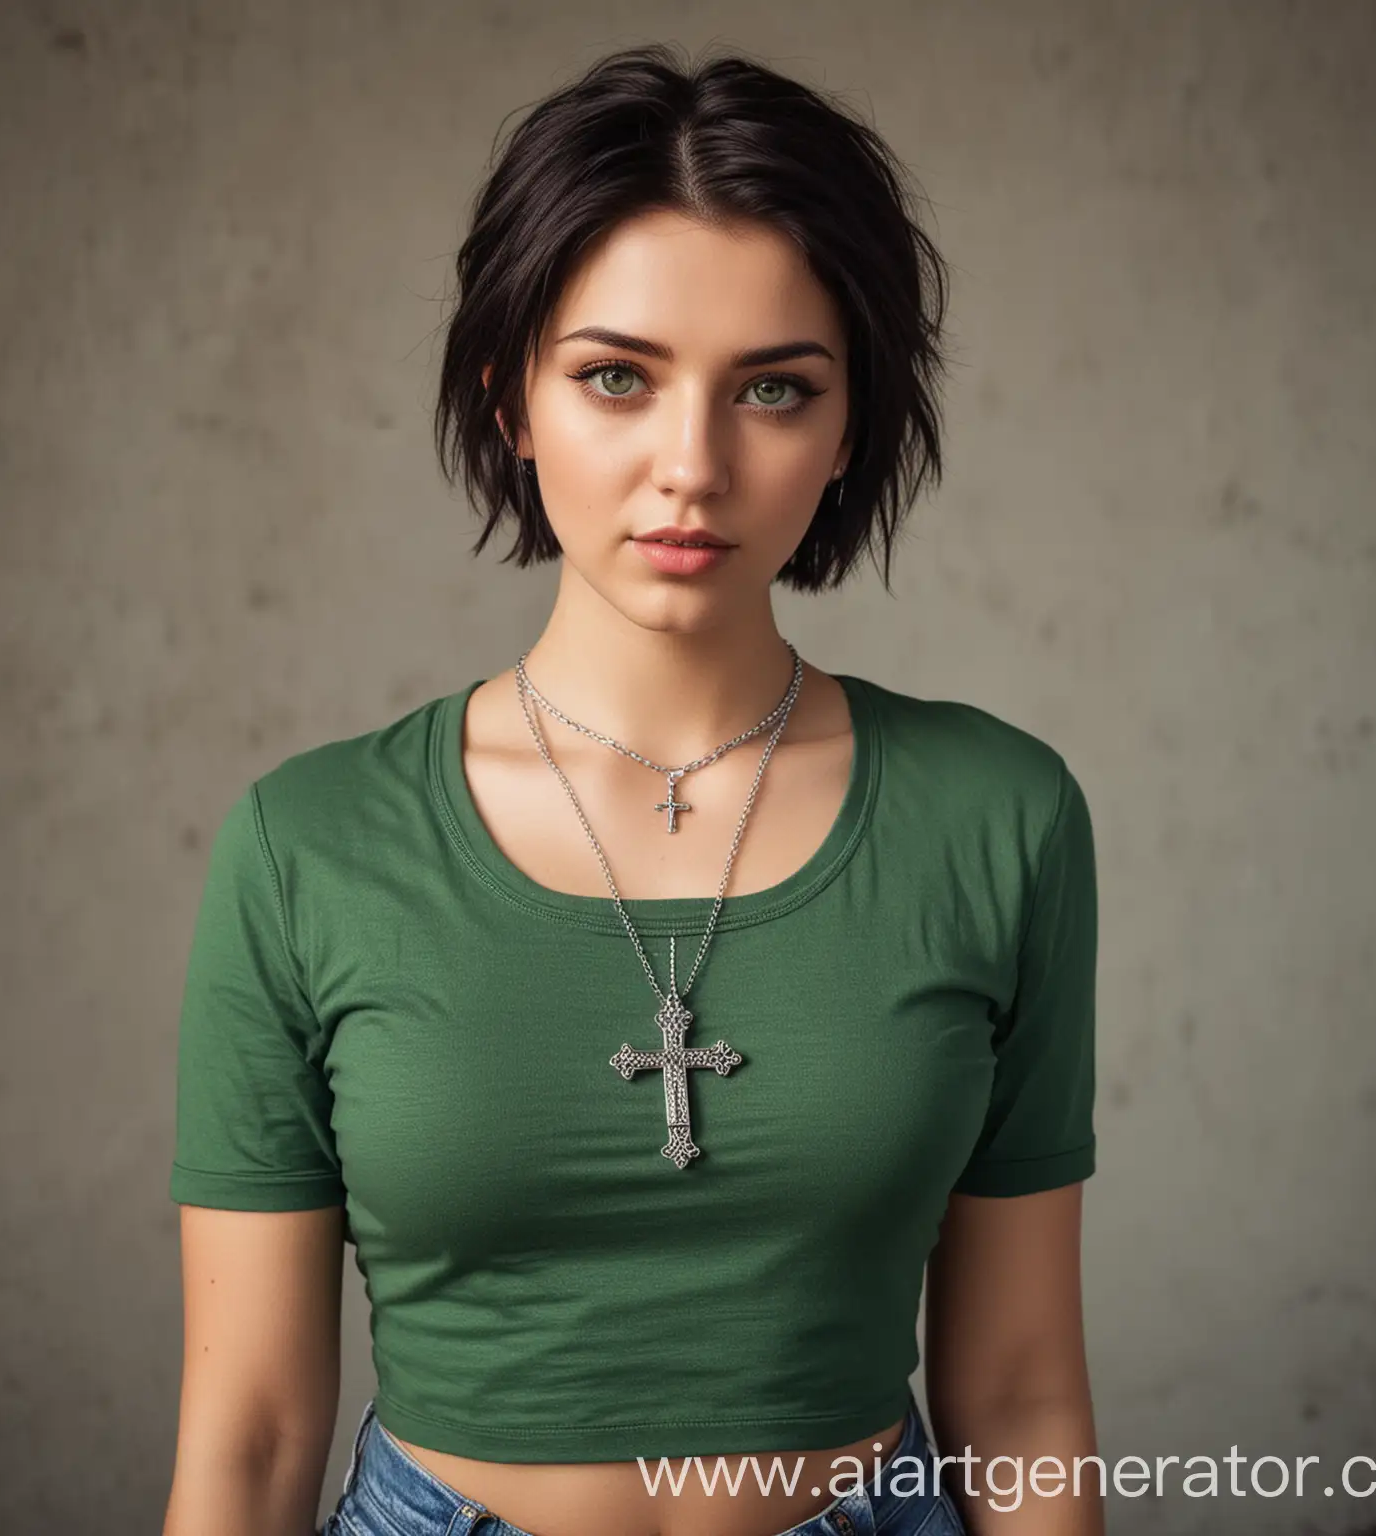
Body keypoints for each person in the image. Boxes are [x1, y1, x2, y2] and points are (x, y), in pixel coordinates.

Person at [161, 42, 1104, 1536]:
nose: (693, 466)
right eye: (615, 376)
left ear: (850, 424)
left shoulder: (1000, 818)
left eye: (775, 390)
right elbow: (254, 1438)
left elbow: (1024, 1390)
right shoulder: (308, 845)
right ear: (509, 400)